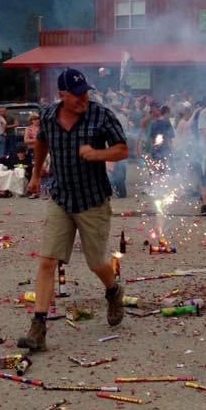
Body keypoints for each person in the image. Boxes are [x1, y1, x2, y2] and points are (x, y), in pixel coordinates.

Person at [16, 68, 128, 352]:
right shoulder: (49, 116)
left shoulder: (101, 115)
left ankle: (113, 292)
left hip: (92, 201)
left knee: (96, 263)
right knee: (47, 261)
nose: (83, 98)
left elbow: (123, 149)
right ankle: (38, 327)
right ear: (62, 95)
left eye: (85, 92)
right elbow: (42, 142)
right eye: (77, 95)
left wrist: (98, 154)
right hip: (61, 198)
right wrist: (36, 174)